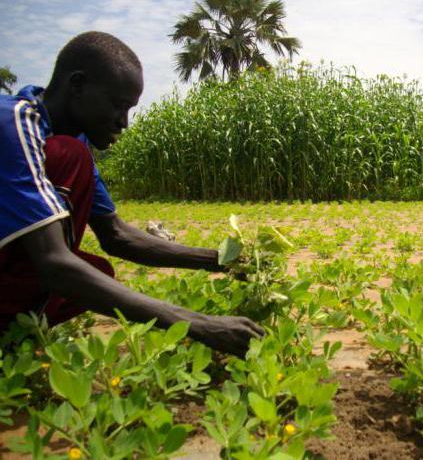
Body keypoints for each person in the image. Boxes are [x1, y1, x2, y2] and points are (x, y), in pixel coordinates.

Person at [0, 31, 264, 355]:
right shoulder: (15, 125)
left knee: (97, 272)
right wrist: (198, 323)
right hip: (42, 259)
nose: (123, 122)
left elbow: (116, 235)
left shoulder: (76, 139)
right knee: (67, 158)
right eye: (118, 105)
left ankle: (11, 340)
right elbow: (54, 262)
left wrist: (225, 261)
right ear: (78, 85)